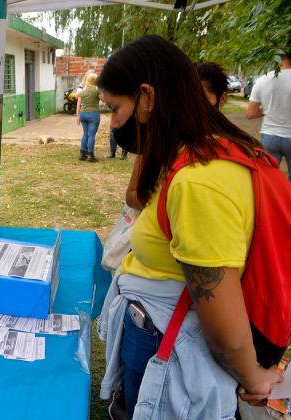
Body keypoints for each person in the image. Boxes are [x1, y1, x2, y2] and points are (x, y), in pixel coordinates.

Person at [97, 35, 282, 419]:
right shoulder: (194, 152)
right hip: (161, 334)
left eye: (115, 108)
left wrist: (255, 378)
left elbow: (226, 331)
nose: (112, 123)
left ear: (147, 96)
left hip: (170, 343)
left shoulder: (200, 182)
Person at [123, 60, 231, 211]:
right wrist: (170, 204)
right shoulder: (160, 137)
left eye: (202, 99)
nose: (193, 107)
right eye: (186, 99)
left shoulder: (234, 147)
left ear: (222, 98)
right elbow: (132, 195)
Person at [246, 48, 291, 181]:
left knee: (268, 179)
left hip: (269, 137)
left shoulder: (263, 79)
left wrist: (268, 109)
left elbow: (251, 113)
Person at [76, 73, 101, 162]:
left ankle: (82, 154)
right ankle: (91, 155)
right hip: (93, 115)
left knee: (85, 134)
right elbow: (104, 99)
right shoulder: (96, 90)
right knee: (91, 135)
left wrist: (77, 116)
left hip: (83, 114)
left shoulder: (82, 91)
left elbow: (78, 104)